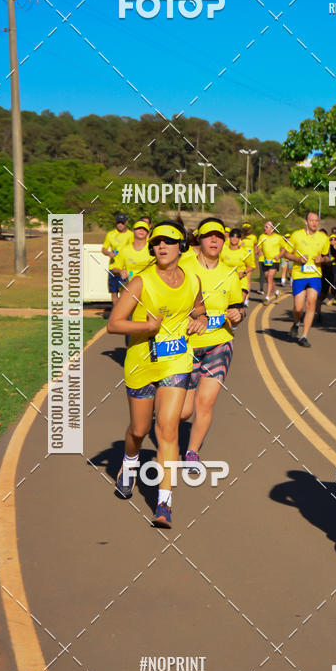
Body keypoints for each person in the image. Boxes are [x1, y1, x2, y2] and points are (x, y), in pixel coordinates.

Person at [107, 220, 208, 528]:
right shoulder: (141, 282)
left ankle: (164, 504)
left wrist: (200, 320)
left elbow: (198, 308)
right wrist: (147, 328)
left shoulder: (192, 280)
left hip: (176, 362)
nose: (161, 246)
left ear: (182, 247)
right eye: (157, 242)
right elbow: (114, 323)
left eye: (168, 241)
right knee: (139, 431)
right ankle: (130, 460)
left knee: (167, 429)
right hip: (141, 363)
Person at [180, 218, 245, 467]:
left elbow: (237, 307)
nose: (214, 240)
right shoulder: (183, 266)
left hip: (220, 343)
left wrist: (239, 314)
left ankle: (192, 453)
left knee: (205, 402)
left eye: (219, 236)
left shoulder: (229, 273)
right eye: (209, 236)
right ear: (200, 240)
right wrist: (190, 318)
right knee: (184, 411)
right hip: (186, 345)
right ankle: (165, 427)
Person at [284, 210, 330, 347]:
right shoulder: (296, 235)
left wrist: (322, 259)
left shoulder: (323, 238)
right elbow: (286, 254)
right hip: (299, 275)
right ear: (306, 221)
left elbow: (328, 258)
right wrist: (297, 258)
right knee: (298, 308)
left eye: (316, 221)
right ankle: (296, 323)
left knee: (311, 303)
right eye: (312, 220)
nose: (314, 223)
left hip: (315, 275)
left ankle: (304, 336)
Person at [102, 212, 133, 305]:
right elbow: (104, 249)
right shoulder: (110, 234)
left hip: (125, 268)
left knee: (125, 292)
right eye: (118, 222)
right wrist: (108, 253)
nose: (120, 225)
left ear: (126, 223)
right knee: (114, 292)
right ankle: (116, 314)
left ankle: (124, 313)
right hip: (113, 267)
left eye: (122, 223)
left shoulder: (131, 235)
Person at [110, 219, 152, 283]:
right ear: (133, 231)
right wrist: (120, 271)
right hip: (131, 286)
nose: (141, 230)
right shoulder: (124, 250)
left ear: (148, 233)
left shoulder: (153, 249)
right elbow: (115, 268)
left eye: (144, 229)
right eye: (138, 228)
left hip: (150, 286)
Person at [221, 227, 255, 306]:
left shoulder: (244, 252)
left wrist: (243, 272)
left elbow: (252, 266)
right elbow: (218, 265)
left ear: (240, 239)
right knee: (227, 307)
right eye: (232, 236)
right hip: (227, 282)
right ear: (229, 238)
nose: (234, 238)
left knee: (239, 307)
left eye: (237, 236)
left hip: (241, 281)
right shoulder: (223, 251)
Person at [256, 221, 285, 302]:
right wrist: (259, 251)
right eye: (264, 226)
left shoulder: (278, 237)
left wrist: (279, 255)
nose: (264, 228)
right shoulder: (262, 236)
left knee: (269, 278)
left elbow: (284, 248)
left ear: (272, 228)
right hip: (266, 261)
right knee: (268, 278)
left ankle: (267, 297)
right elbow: (258, 247)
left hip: (275, 261)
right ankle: (277, 291)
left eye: (266, 227)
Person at [240, 223, 257, 295]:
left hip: (250, 259)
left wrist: (254, 254)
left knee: (248, 279)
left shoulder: (253, 237)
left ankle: (246, 298)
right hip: (241, 259)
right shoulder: (240, 237)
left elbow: (256, 246)